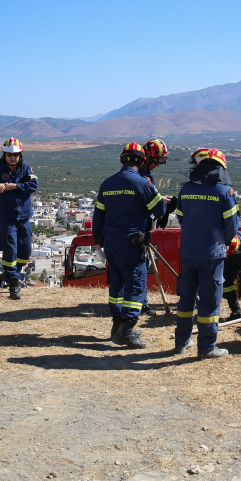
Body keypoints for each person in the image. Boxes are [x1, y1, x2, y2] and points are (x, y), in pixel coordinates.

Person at [92, 142, 166, 348]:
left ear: (122, 160)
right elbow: (159, 210)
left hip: (111, 243)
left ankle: (116, 328)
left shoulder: (107, 184)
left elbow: (98, 217)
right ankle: (126, 330)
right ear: (142, 160)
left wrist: (98, 242)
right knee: (135, 284)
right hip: (132, 243)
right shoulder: (143, 184)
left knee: (117, 285)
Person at [173, 149, 239, 358]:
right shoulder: (224, 192)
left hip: (189, 253)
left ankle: (181, 343)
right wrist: (223, 241)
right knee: (210, 301)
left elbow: (182, 218)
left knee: (186, 299)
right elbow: (232, 227)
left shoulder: (186, 189)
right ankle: (207, 347)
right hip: (211, 255)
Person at [0, 138, 39, 300]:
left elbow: (34, 185)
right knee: (10, 246)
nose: (13, 157)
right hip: (7, 217)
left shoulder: (25, 169)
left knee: (25, 249)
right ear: (5, 155)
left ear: (20, 155)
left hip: (24, 216)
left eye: (16, 154)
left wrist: (16, 186)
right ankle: (13, 283)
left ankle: (13, 274)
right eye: (10, 154)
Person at [137, 138, 175, 315]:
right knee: (138, 267)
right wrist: (162, 205)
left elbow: (152, 196)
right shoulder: (138, 176)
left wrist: (164, 204)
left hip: (144, 225)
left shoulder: (146, 174)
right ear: (148, 158)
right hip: (136, 228)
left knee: (142, 266)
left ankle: (140, 302)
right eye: (157, 161)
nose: (158, 166)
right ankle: (139, 304)